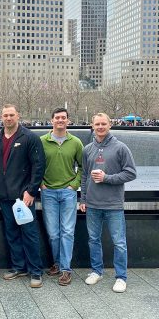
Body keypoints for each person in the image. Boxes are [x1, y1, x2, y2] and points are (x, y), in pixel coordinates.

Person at [80, 113, 136, 293]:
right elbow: (84, 175)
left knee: (119, 242)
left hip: (113, 205)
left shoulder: (121, 148)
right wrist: (83, 199)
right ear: (92, 126)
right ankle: (97, 271)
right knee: (93, 240)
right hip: (93, 205)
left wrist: (107, 178)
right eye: (97, 124)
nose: (100, 127)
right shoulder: (87, 148)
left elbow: (131, 173)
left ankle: (121, 277)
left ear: (109, 125)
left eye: (104, 123)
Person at [0, 104, 46, 288]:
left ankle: (36, 271)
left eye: (11, 115)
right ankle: (18, 267)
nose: (8, 118)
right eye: (5, 115)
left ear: (18, 116)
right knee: (12, 233)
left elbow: (38, 166)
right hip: (4, 196)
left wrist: (31, 191)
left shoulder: (29, 138)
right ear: (1, 117)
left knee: (29, 233)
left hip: (23, 197)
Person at [40, 108, 83, 286]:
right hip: (48, 191)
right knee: (53, 234)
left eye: (63, 118)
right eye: (57, 117)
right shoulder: (42, 141)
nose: (60, 120)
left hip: (68, 192)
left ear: (68, 121)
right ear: (51, 121)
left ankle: (65, 269)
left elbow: (82, 166)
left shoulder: (76, 142)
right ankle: (57, 264)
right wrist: (41, 183)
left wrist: (74, 185)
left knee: (67, 231)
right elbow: (35, 164)